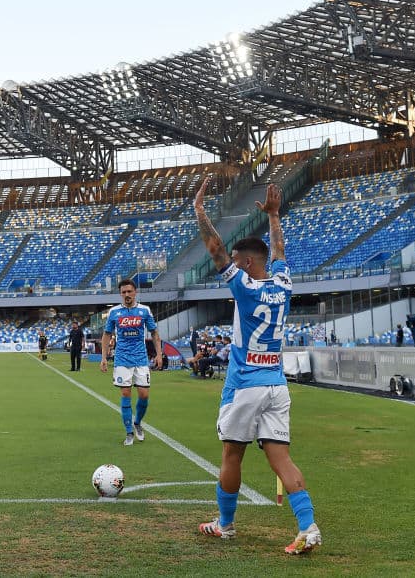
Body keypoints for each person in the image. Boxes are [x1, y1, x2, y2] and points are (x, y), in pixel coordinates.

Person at [193, 177, 322, 555]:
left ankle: (225, 525)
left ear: (247, 263)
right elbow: (279, 248)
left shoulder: (245, 287)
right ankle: (308, 527)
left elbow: (214, 248)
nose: (230, 266)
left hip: (245, 384)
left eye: (236, 262)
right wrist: (275, 214)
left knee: (232, 454)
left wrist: (200, 211)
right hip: (276, 385)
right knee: (281, 458)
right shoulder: (284, 284)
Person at [101, 279, 162, 446]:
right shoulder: (114, 312)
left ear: (135, 292)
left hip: (141, 359)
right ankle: (129, 433)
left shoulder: (144, 310)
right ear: (120, 294)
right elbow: (106, 335)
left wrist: (159, 354)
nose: (127, 295)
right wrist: (104, 358)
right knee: (125, 394)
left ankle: (137, 423)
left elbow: (154, 333)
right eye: (124, 292)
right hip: (122, 359)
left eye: (129, 291)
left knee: (144, 395)